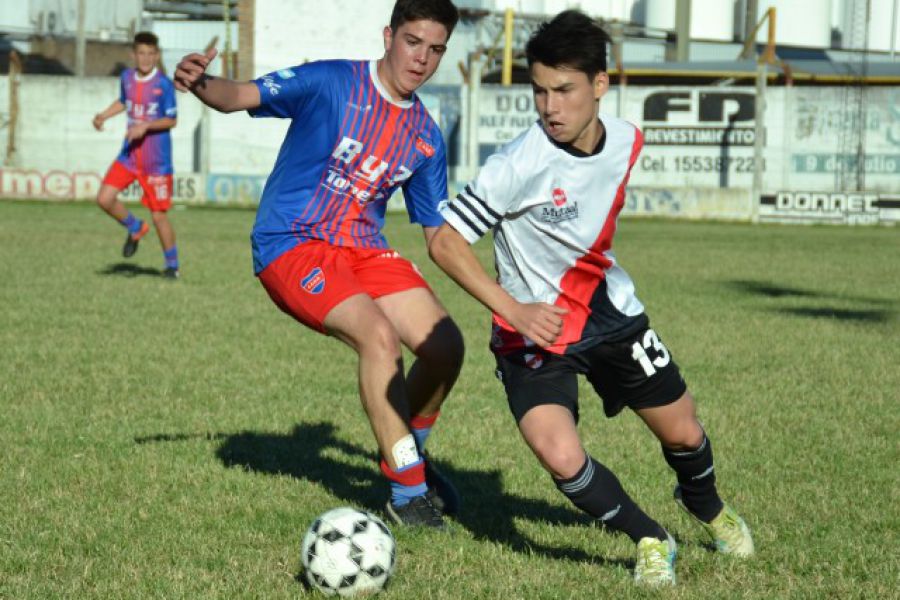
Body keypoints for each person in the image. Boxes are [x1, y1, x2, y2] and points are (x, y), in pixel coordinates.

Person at [429, 10, 753, 585]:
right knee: (557, 452)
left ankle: (707, 508)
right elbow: (446, 242)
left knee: (684, 432)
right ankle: (651, 539)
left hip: (610, 315)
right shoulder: (517, 163)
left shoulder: (627, 140)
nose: (550, 106)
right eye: (539, 91)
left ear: (600, 86)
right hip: (532, 329)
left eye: (564, 90)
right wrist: (515, 310)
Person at [173, 0, 464, 528]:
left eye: (436, 49)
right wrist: (201, 81)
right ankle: (408, 493)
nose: (422, 58)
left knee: (445, 346)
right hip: (292, 243)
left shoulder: (424, 135)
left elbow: (437, 232)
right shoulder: (331, 82)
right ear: (388, 36)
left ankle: (406, 454)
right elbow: (239, 96)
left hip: (362, 247)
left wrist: (503, 295)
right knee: (378, 338)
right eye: (413, 41)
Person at [93, 31, 180, 278]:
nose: (146, 58)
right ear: (134, 54)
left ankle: (172, 266)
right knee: (104, 199)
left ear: (157, 55)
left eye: (151, 53)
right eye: (141, 53)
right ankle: (135, 227)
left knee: (159, 215)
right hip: (129, 156)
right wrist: (103, 115)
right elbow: (124, 101)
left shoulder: (164, 84)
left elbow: (171, 119)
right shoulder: (126, 78)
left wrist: (145, 126)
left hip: (156, 162)